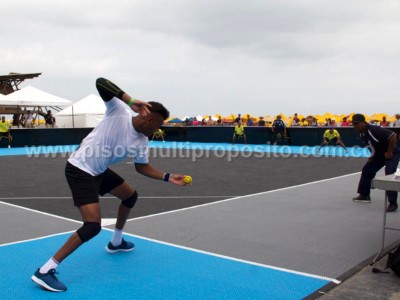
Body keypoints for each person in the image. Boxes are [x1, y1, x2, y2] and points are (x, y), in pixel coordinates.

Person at [31, 77, 191, 292]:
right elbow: (100, 82)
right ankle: (44, 271)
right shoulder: (119, 112)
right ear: (148, 119)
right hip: (80, 169)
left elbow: (142, 167)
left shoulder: (142, 141)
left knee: (130, 196)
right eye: (159, 125)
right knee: (92, 226)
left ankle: (116, 242)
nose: (159, 130)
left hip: (99, 171)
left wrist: (167, 176)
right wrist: (130, 99)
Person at [351, 114, 400, 212]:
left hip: (392, 153)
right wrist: (372, 155)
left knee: (389, 174)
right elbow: (372, 145)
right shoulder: (362, 133)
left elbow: (393, 136)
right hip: (380, 154)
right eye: (353, 124)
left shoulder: (373, 129)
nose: (355, 126)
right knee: (367, 170)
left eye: (357, 124)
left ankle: (393, 203)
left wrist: (389, 152)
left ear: (363, 122)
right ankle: (364, 195)